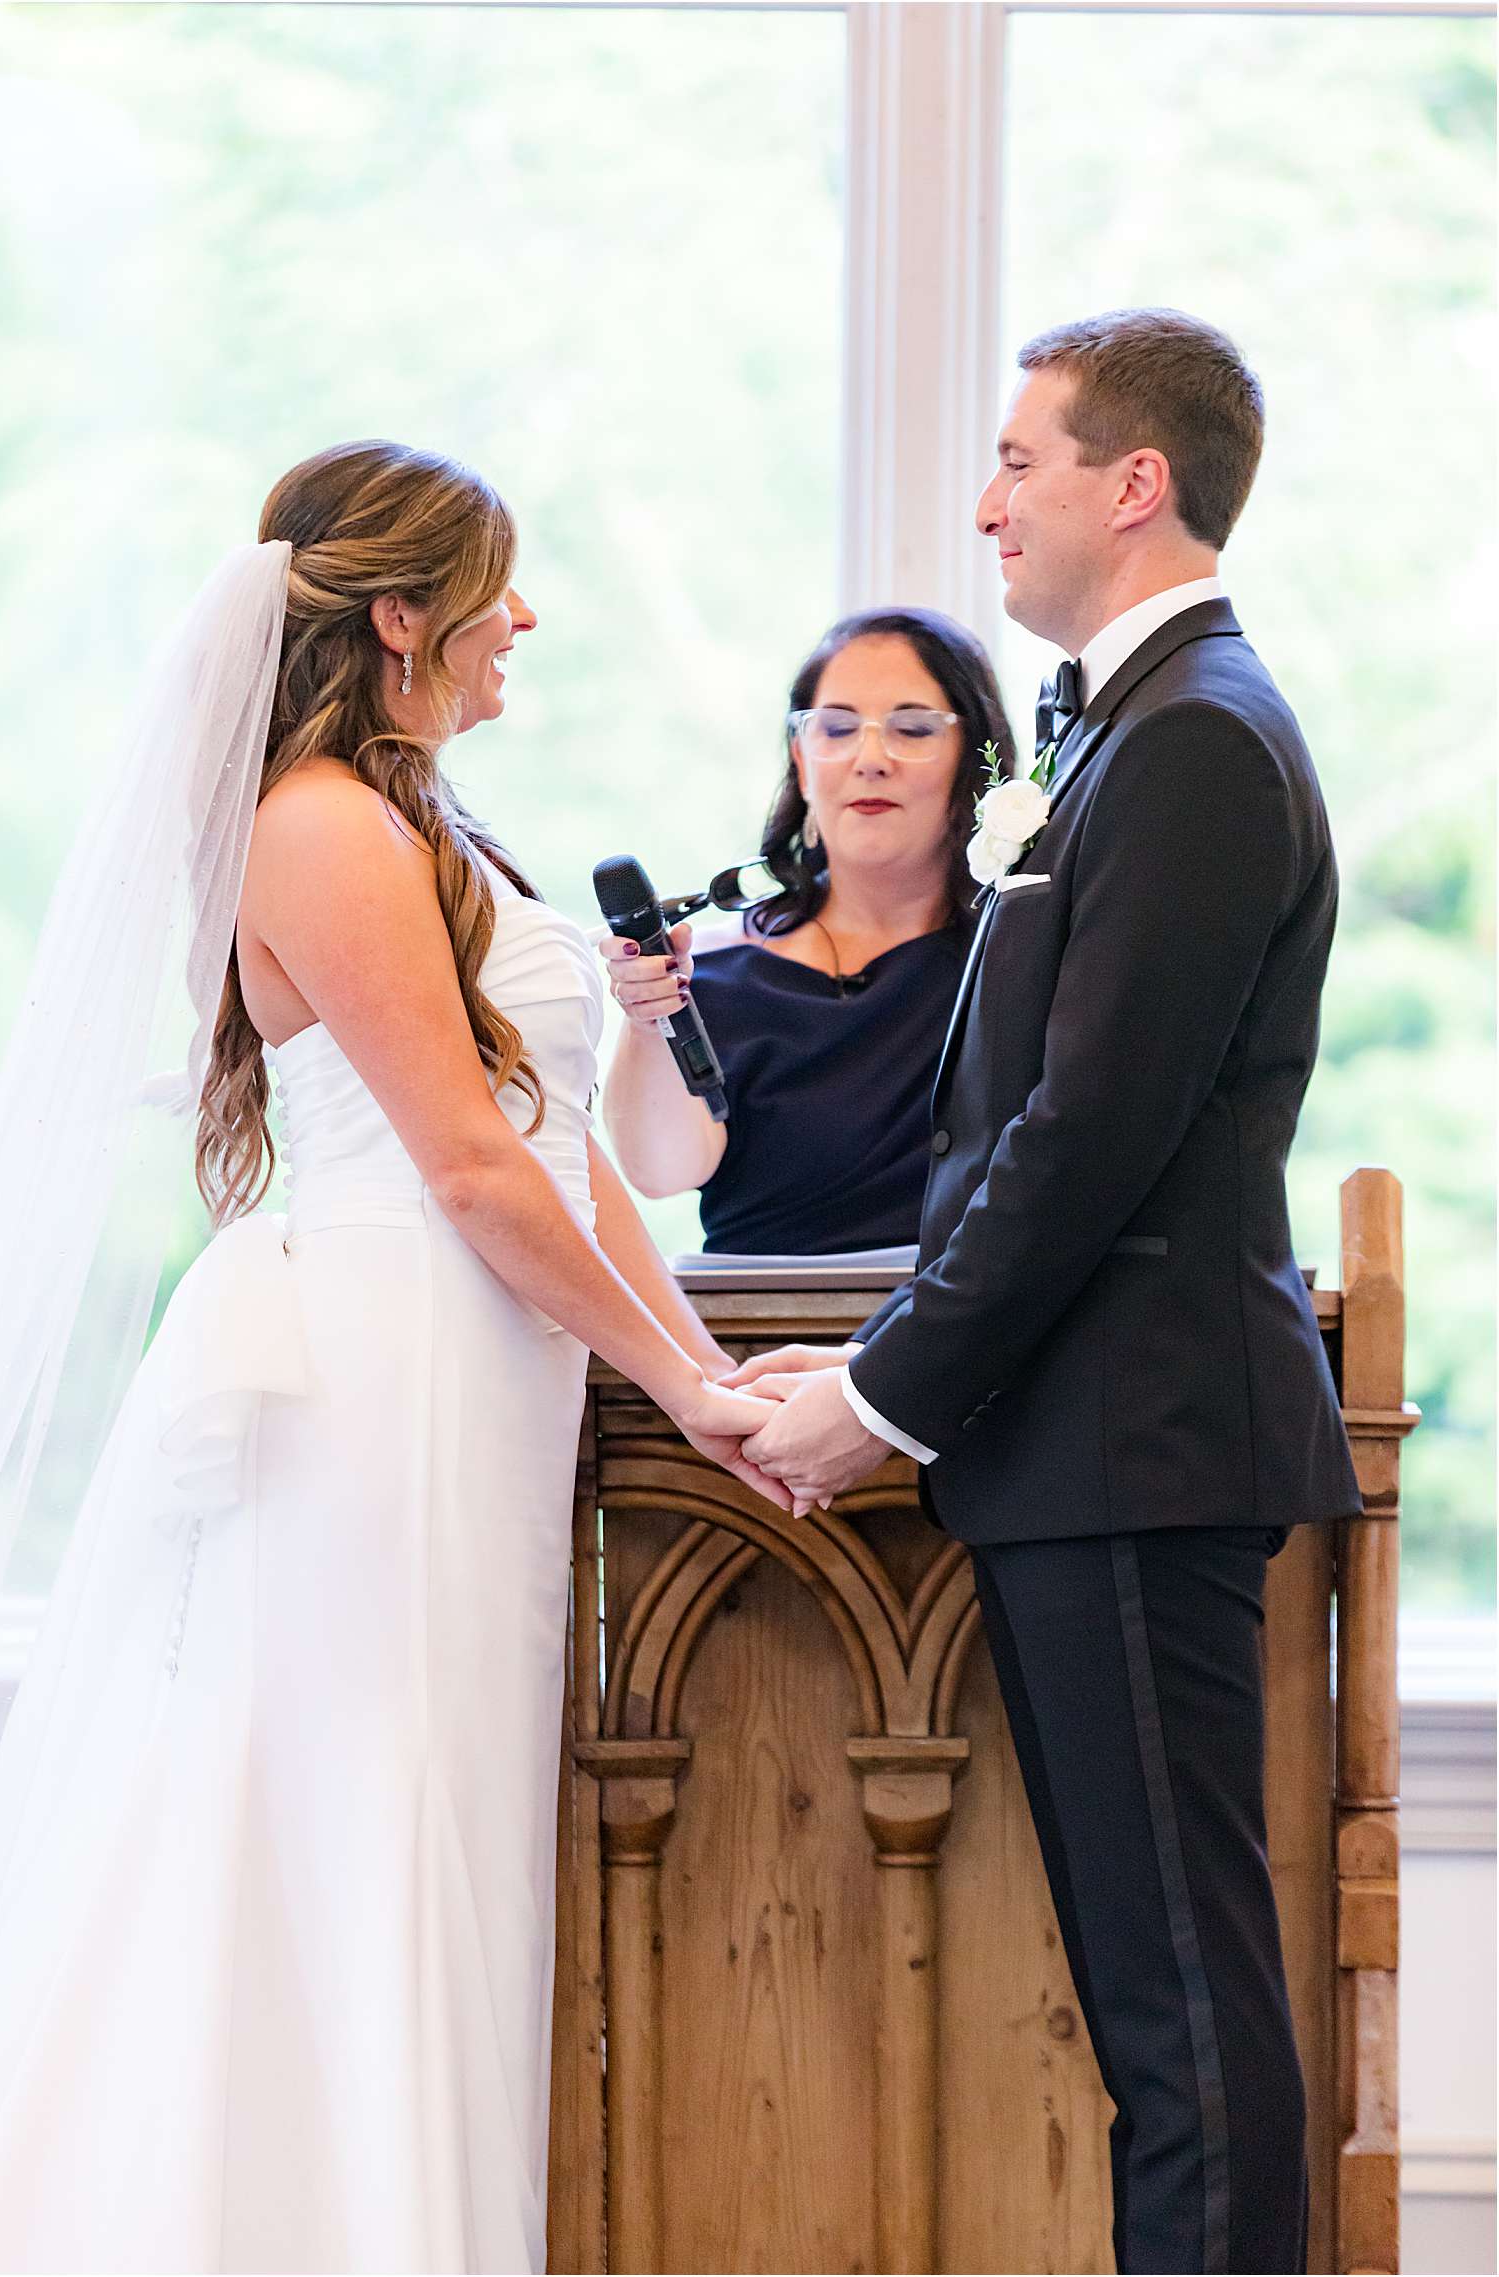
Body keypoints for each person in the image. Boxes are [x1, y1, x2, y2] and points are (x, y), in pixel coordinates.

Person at [0, 441, 782, 2275]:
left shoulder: (433, 818)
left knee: (439, 1818)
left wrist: (699, 1367)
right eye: (497, 585)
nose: (527, 618)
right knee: (356, 1818)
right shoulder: (323, 819)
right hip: (383, 1366)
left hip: (477, 1369)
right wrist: (681, 1387)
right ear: (404, 616)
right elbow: (476, 1166)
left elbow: (559, 1138)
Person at [731, 309, 1363, 2274]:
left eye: (1022, 458)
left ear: (1133, 483)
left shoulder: (1189, 738)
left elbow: (1088, 1138)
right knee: (1155, 2002)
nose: (987, 498)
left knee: (1180, 2004)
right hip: (1100, 1439)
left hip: (1131, 1431)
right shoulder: (1134, 725)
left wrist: (884, 1391)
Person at [599, 608, 1012, 1254]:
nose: (870, 759)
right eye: (838, 728)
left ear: (972, 755)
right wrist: (651, 1016)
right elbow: (660, 1171)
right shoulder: (719, 968)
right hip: (755, 1337)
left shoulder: (1016, 956)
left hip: (959, 1340)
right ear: (800, 755)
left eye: (912, 729)